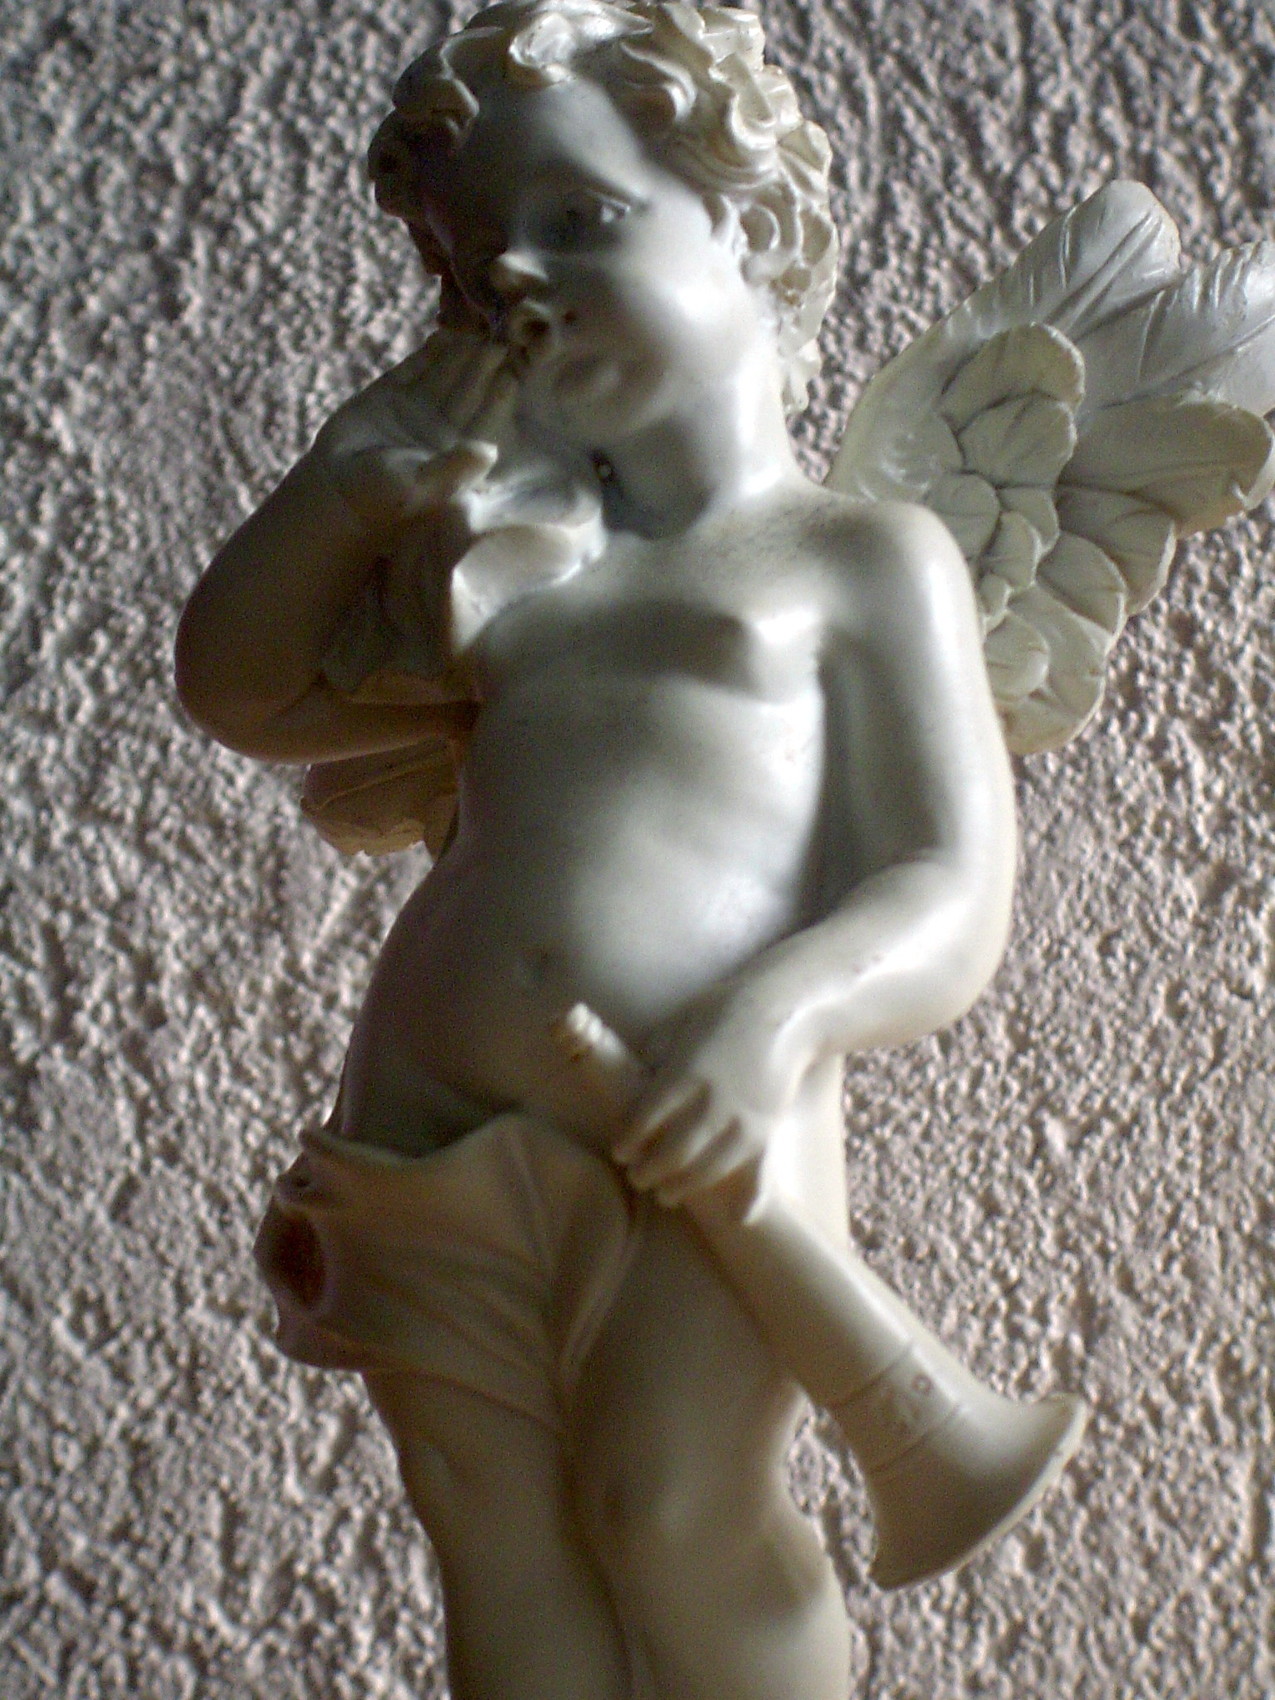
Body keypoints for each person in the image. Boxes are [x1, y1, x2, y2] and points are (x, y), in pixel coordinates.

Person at [175, 4, 1017, 1696]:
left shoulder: (860, 559)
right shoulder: (510, 564)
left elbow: (950, 886)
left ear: (748, 221)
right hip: (428, 1111)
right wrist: (351, 487)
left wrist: (780, 1015)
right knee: (486, 1522)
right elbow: (238, 688)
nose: (524, 280)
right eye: (476, 266)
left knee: (671, 1507)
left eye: (583, 217)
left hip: (707, 1113)